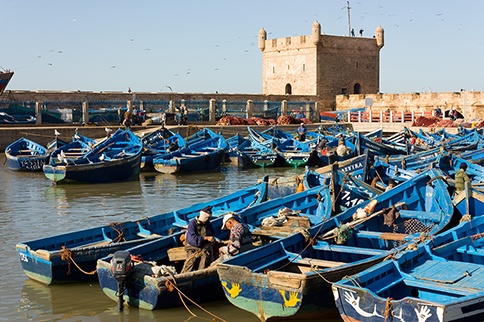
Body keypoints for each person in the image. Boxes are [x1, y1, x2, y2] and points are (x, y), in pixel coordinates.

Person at [182, 206, 215, 272]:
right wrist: (205, 238)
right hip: (191, 246)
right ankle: (186, 274)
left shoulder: (208, 224)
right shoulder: (192, 224)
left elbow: (212, 233)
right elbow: (192, 240)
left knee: (205, 257)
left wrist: (211, 239)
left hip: (203, 246)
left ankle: (201, 273)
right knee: (191, 261)